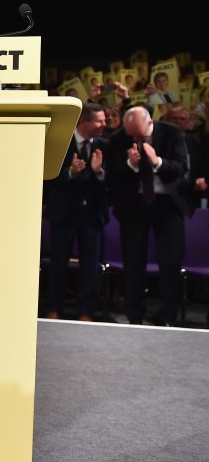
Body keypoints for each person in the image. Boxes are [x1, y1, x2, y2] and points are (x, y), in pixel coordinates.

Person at [105, 105, 194, 326]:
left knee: (170, 262)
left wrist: (157, 162)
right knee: (133, 262)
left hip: (168, 204)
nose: (135, 139)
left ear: (150, 123)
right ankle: (134, 315)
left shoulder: (172, 133)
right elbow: (113, 176)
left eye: (139, 135)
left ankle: (167, 317)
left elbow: (181, 168)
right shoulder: (118, 138)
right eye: (131, 135)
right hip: (134, 205)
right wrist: (130, 165)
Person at [42, 103, 109, 321]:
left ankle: (86, 311)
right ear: (84, 121)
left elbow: (112, 181)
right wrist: (70, 172)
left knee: (90, 266)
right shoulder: (61, 143)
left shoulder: (103, 145)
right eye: (99, 121)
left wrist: (99, 172)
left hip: (92, 215)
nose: (104, 124)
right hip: (64, 214)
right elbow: (48, 178)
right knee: (59, 264)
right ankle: (54, 308)